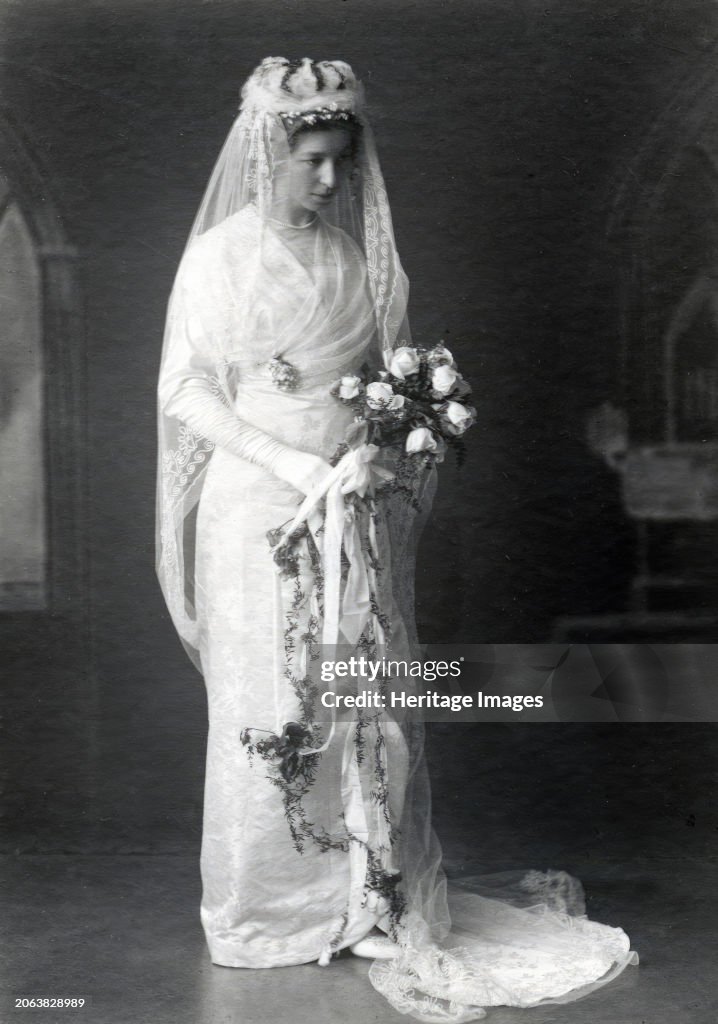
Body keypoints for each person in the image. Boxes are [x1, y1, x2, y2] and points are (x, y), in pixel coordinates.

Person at [156, 57, 638, 1022]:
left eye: (343, 162)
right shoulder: (221, 258)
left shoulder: (355, 260)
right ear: (266, 156)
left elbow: (383, 385)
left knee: (363, 696)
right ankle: (271, 913)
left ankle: (363, 896)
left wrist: (380, 450)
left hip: (356, 503)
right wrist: (289, 466)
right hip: (259, 512)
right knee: (273, 696)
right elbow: (184, 391)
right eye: (313, 163)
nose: (332, 182)